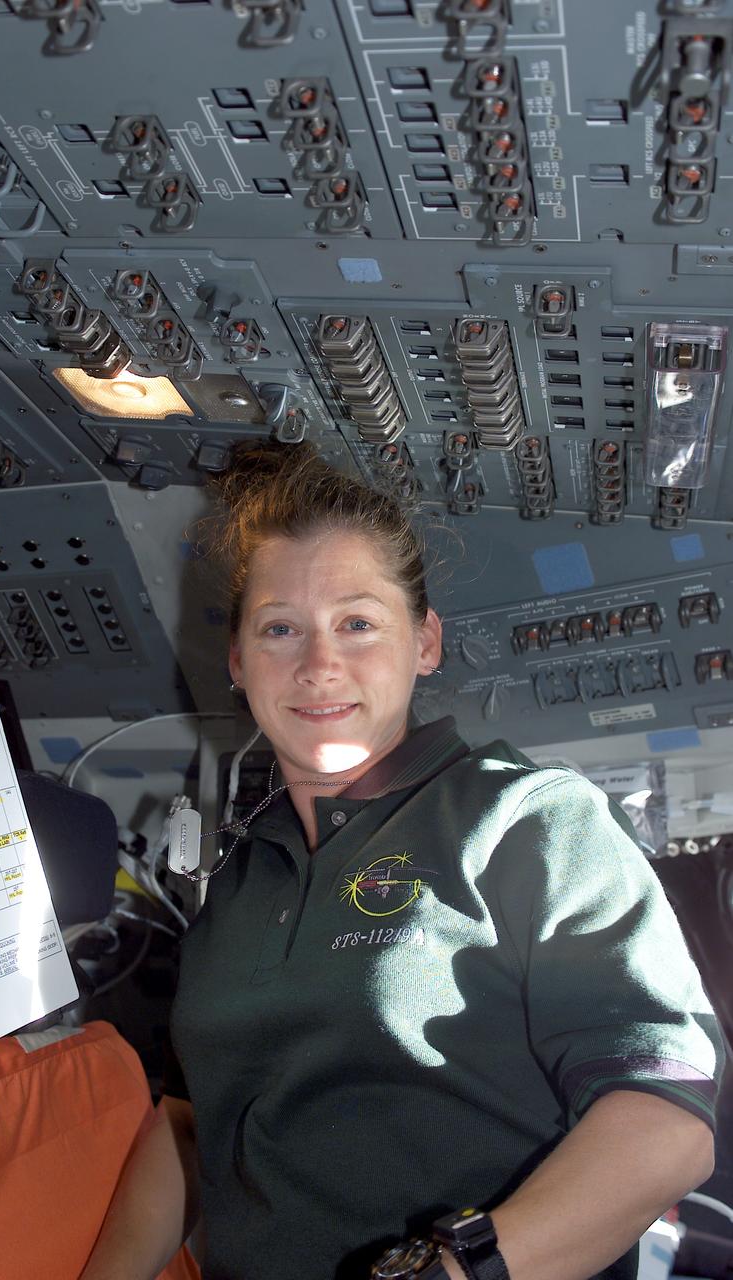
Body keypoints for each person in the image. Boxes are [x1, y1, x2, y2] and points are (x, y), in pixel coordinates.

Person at [80, 441, 724, 1280]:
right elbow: (189, 1122)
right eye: (280, 629)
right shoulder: (235, 881)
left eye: (357, 623)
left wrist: (456, 1272)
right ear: (238, 664)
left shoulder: (524, 819)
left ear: (423, 642)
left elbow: (663, 1125)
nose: (318, 665)